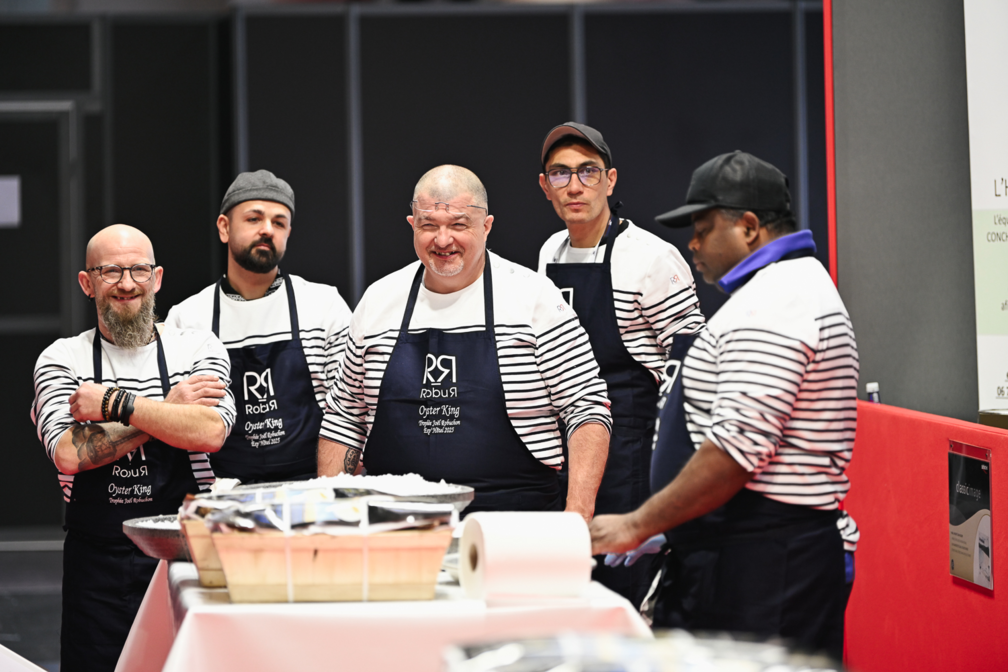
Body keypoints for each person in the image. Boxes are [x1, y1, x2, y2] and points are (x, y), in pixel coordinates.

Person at [589, 151, 859, 659]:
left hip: (763, 563)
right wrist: (672, 527)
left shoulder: (775, 304)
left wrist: (635, 524)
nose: (691, 243)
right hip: (743, 549)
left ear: (750, 227)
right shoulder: (782, 289)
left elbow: (734, 453)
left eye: (704, 227)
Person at [318, 165, 612, 519]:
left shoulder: (534, 299)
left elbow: (587, 408)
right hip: (395, 525)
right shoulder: (378, 302)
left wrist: (577, 515)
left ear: (486, 227)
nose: (443, 240)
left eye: (459, 225)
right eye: (429, 225)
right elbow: (345, 418)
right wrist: (331, 515)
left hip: (513, 522)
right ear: (412, 225)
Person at [31, 224, 235, 672]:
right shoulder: (61, 358)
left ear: (157, 278)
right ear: (87, 283)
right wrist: (166, 410)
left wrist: (111, 404)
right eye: (110, 272)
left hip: (184, 560)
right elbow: (68, 452)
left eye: (139, 270)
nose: (127, 284)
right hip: (95, 568)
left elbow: (209, 432)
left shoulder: (197, 347)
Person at [536, 122, 705, 605]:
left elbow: (691, 362)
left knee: (625, 593)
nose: (575, 186)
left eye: (588, 172)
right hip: (570, 446)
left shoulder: (651, 258)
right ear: (544, 186)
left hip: (633, 452)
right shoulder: (549, 252)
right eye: (561, 173)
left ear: (610, 180)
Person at [166, 170, 352, 483]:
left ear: (289, 232)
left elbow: (350, 413)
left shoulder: (323, 306)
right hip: (222, 502)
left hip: (312, 495)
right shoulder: (187, 319)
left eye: (279, 222)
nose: (267, 230)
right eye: (254, 219)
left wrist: (328, 494)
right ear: (224, 228)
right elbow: (174, 422)